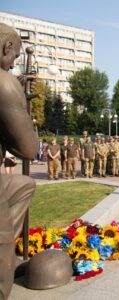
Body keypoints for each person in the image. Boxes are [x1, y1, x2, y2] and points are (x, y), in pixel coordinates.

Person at [0, 22, 37, 300]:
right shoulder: (4, 82)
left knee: (24, 185)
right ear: (6, 48)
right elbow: (28, 148)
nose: (14, 64)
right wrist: (20, 102)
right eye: (15, 56)